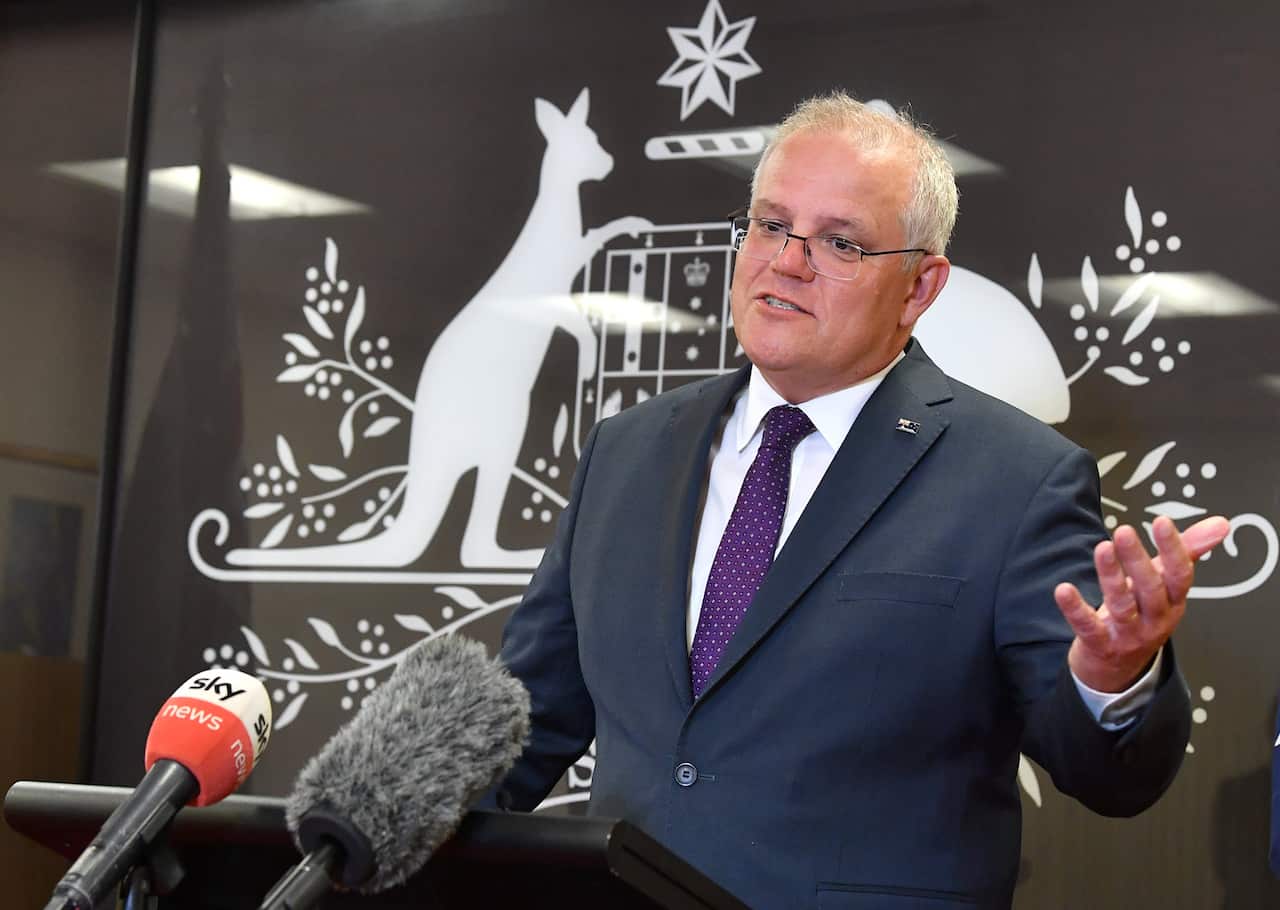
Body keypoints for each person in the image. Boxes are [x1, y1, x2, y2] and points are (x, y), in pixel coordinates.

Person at [489, 92, 1229, 909]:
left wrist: (1113, 678)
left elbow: (1109, 778)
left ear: (920, 286)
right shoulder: (624, 453)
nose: (786, 262)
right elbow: (521, 722)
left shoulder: (1017, 481)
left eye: (839, 242)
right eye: (770, 225)